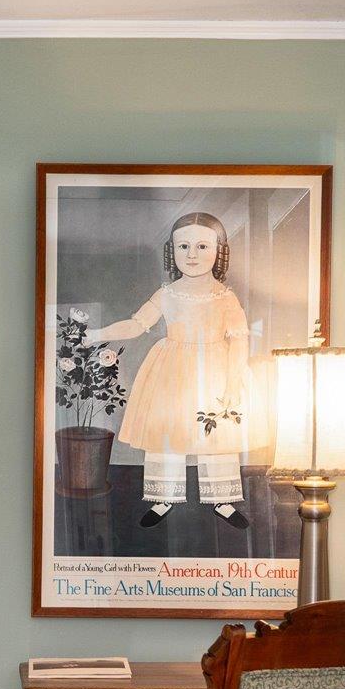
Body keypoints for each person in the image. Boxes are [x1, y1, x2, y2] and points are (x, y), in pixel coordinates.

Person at [84, 212, 253, 528]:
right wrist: (95, 334)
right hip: (171, 370)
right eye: (183, 246)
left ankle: (222, 499)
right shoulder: (167, 293)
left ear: (219, 251)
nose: (192, 255)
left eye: (202, 247)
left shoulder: (226, 298)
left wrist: (232, 382)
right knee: (167, 430)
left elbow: (240, 341)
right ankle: (163, 498)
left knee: (216, 433)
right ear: (171, 251)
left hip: (215, 370)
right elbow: (136, 325)